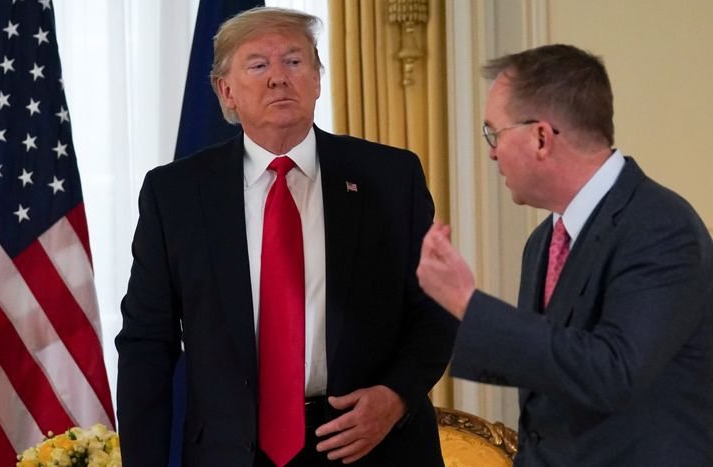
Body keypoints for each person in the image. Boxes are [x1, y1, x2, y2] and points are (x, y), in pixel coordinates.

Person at [116, 6, 458, 467]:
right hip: (231, 451)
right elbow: (146, 345)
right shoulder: (175, 193)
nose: (279, 77)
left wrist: (396, 397)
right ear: (227, 91)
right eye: (258, 64)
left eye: (294, 62)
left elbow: (436, 308)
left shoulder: (390, 177)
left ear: (317, 80)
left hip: (371, 444)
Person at [417, 44, 713, 466]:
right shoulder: (542, 242)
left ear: (540, 137)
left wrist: (468, 304)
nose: (492, 152)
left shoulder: (662, 226)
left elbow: (614, 374)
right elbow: (547, 394)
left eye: (494, 133)